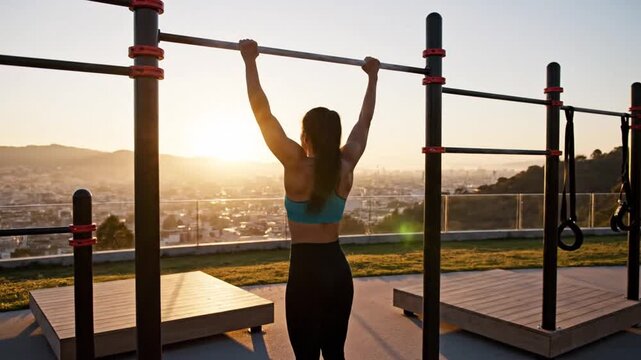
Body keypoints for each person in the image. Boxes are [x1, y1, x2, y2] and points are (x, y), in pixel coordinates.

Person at [239, 39, 379, 360]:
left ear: (305, 135)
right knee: (334, 354)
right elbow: (365, 121)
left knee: (306, 357)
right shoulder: (346, 164)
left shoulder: (295, 163)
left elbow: (262, 113)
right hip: (337, 271)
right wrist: (373, 77)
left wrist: (250, 60)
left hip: (304, 273)